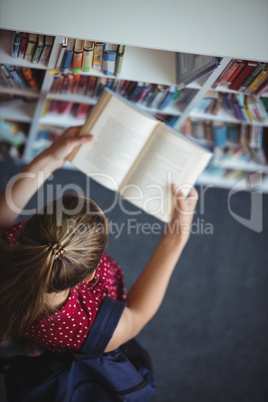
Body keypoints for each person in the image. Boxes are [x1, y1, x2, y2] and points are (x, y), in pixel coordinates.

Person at [0, 126, 198, 356]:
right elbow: (137, 316)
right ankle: (36, 346)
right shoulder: (93, 327)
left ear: (29, 225)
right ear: (88, 276)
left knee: (12, 317)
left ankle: (9, 331)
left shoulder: (7, 244)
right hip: (55, 336)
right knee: (43, 346)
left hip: (8, 305)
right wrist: (180, 228)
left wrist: (50, 157)